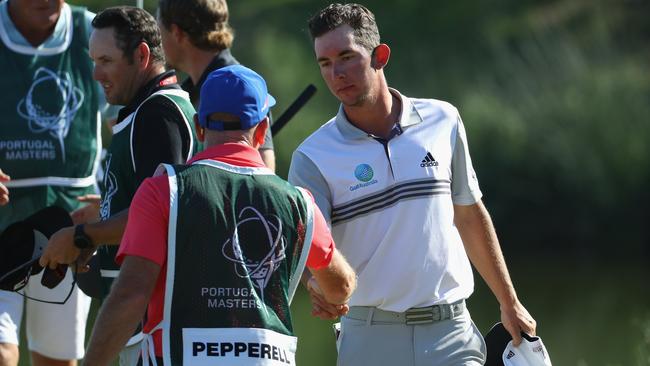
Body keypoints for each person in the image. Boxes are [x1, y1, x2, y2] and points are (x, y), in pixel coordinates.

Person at [288, 3, 537, 365]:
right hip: (368, 337)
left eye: (346, 56)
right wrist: (318, 285)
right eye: (325, 63)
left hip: (452, 332)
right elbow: (317, 252)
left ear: (379, 56)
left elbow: (468, 215)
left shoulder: (443, 119)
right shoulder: (312, 157)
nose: (336, 73)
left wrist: (509, 301)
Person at [81, 64, 356, 366]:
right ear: (262, 130)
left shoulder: (164, 190)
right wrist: (326, 294)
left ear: (199, 127)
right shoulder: (298, 202)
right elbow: (341, 286)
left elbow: (130, 295)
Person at [39, 6, 196, 366]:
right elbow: (150, 201)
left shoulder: (158, 114)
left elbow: (162, 214)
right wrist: (107, 211)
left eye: (106, 60)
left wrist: (84, 235)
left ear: (141, 55)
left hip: (155, 326)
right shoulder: (148, 110)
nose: (96, 74)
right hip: (146, 324)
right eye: (93, 61)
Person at [0, 0, 106, 364]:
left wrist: (114, 197)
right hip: (1, 225)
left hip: (68, 230)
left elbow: (135, 112)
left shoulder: (92, 31)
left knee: (57, 361)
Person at [156, 0, 276, 171]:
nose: (158, 42)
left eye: (159, 30)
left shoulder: (240, 88)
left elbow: (263, 171)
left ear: (177, 33)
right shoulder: (190, 90)